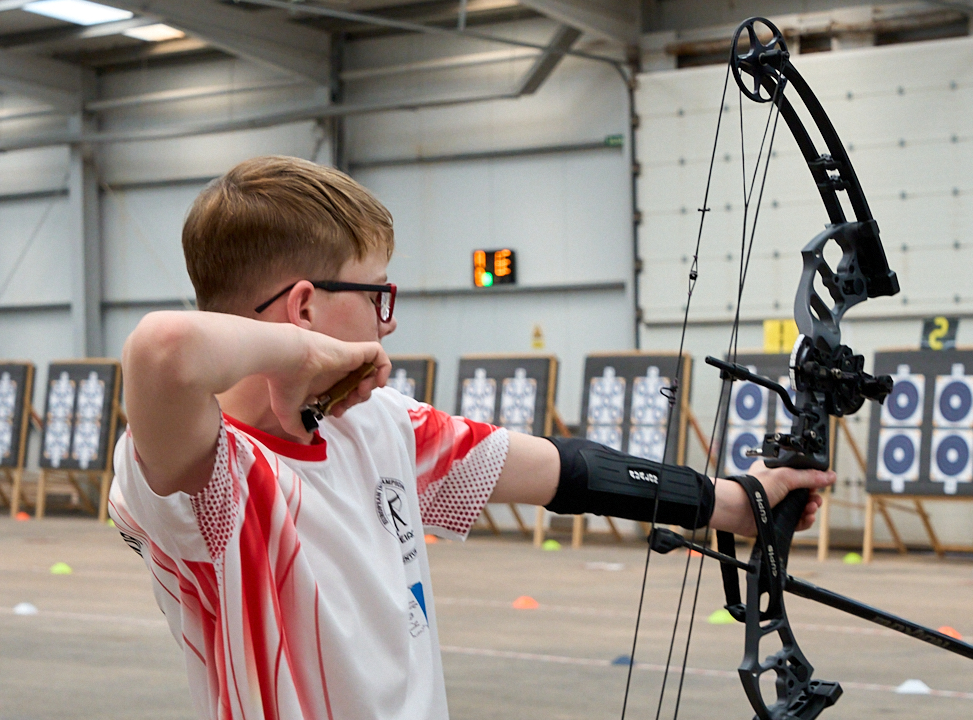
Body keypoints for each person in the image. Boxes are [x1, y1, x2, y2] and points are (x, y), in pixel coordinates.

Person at [109, 155, 834, 720]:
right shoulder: (212, 481)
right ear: (304, 308)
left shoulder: (376, 422)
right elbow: (163, 350)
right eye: (377, 295)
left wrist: (737, 502)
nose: (388, 321)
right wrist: (305, 356)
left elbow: (567, 473)